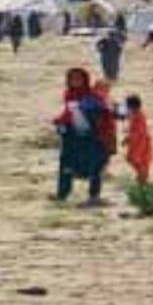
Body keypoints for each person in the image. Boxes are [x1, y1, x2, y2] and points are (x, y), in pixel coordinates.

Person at [53, 67, 109, 206]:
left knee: (94, 167)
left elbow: (102, 114)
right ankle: (62, 194)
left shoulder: (91, 96)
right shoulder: (69, 94)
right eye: (72, 79)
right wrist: (60, 122)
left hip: (91, 137)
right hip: (73, 136)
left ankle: (94, 196)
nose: (75, 82)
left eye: (78, 79)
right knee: (66, 165)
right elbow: (68, 113)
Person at [123, 94, 153, 184]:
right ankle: (142, 177)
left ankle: (143, 178)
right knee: (136, 160)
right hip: (138, 141)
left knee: (139, 160)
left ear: (132, 107)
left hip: (141, 142)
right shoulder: (135, 115)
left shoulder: (139, 116)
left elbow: (139, 131)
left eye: (128, 106)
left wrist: (129, 138)